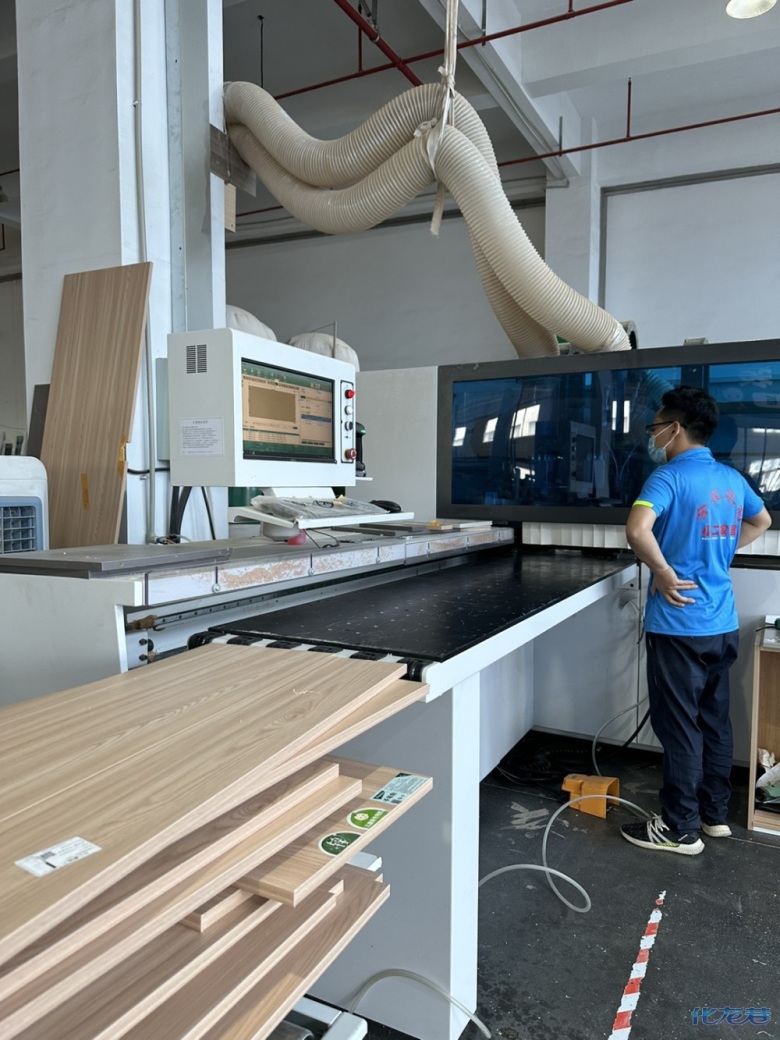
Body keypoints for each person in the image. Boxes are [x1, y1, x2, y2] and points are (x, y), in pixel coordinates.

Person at [621, 386, 772, 855]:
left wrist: (664, 572)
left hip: (678, 625)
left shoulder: (667, 477)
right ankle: (713, 815)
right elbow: (762, 521)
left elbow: (636, 530)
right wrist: (719, 552)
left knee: (680, 726)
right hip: (721, 623)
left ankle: (679, 828)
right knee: (714, 721)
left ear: (675, 428)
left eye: (655, 427)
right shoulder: (731, 479)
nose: (652, 436)